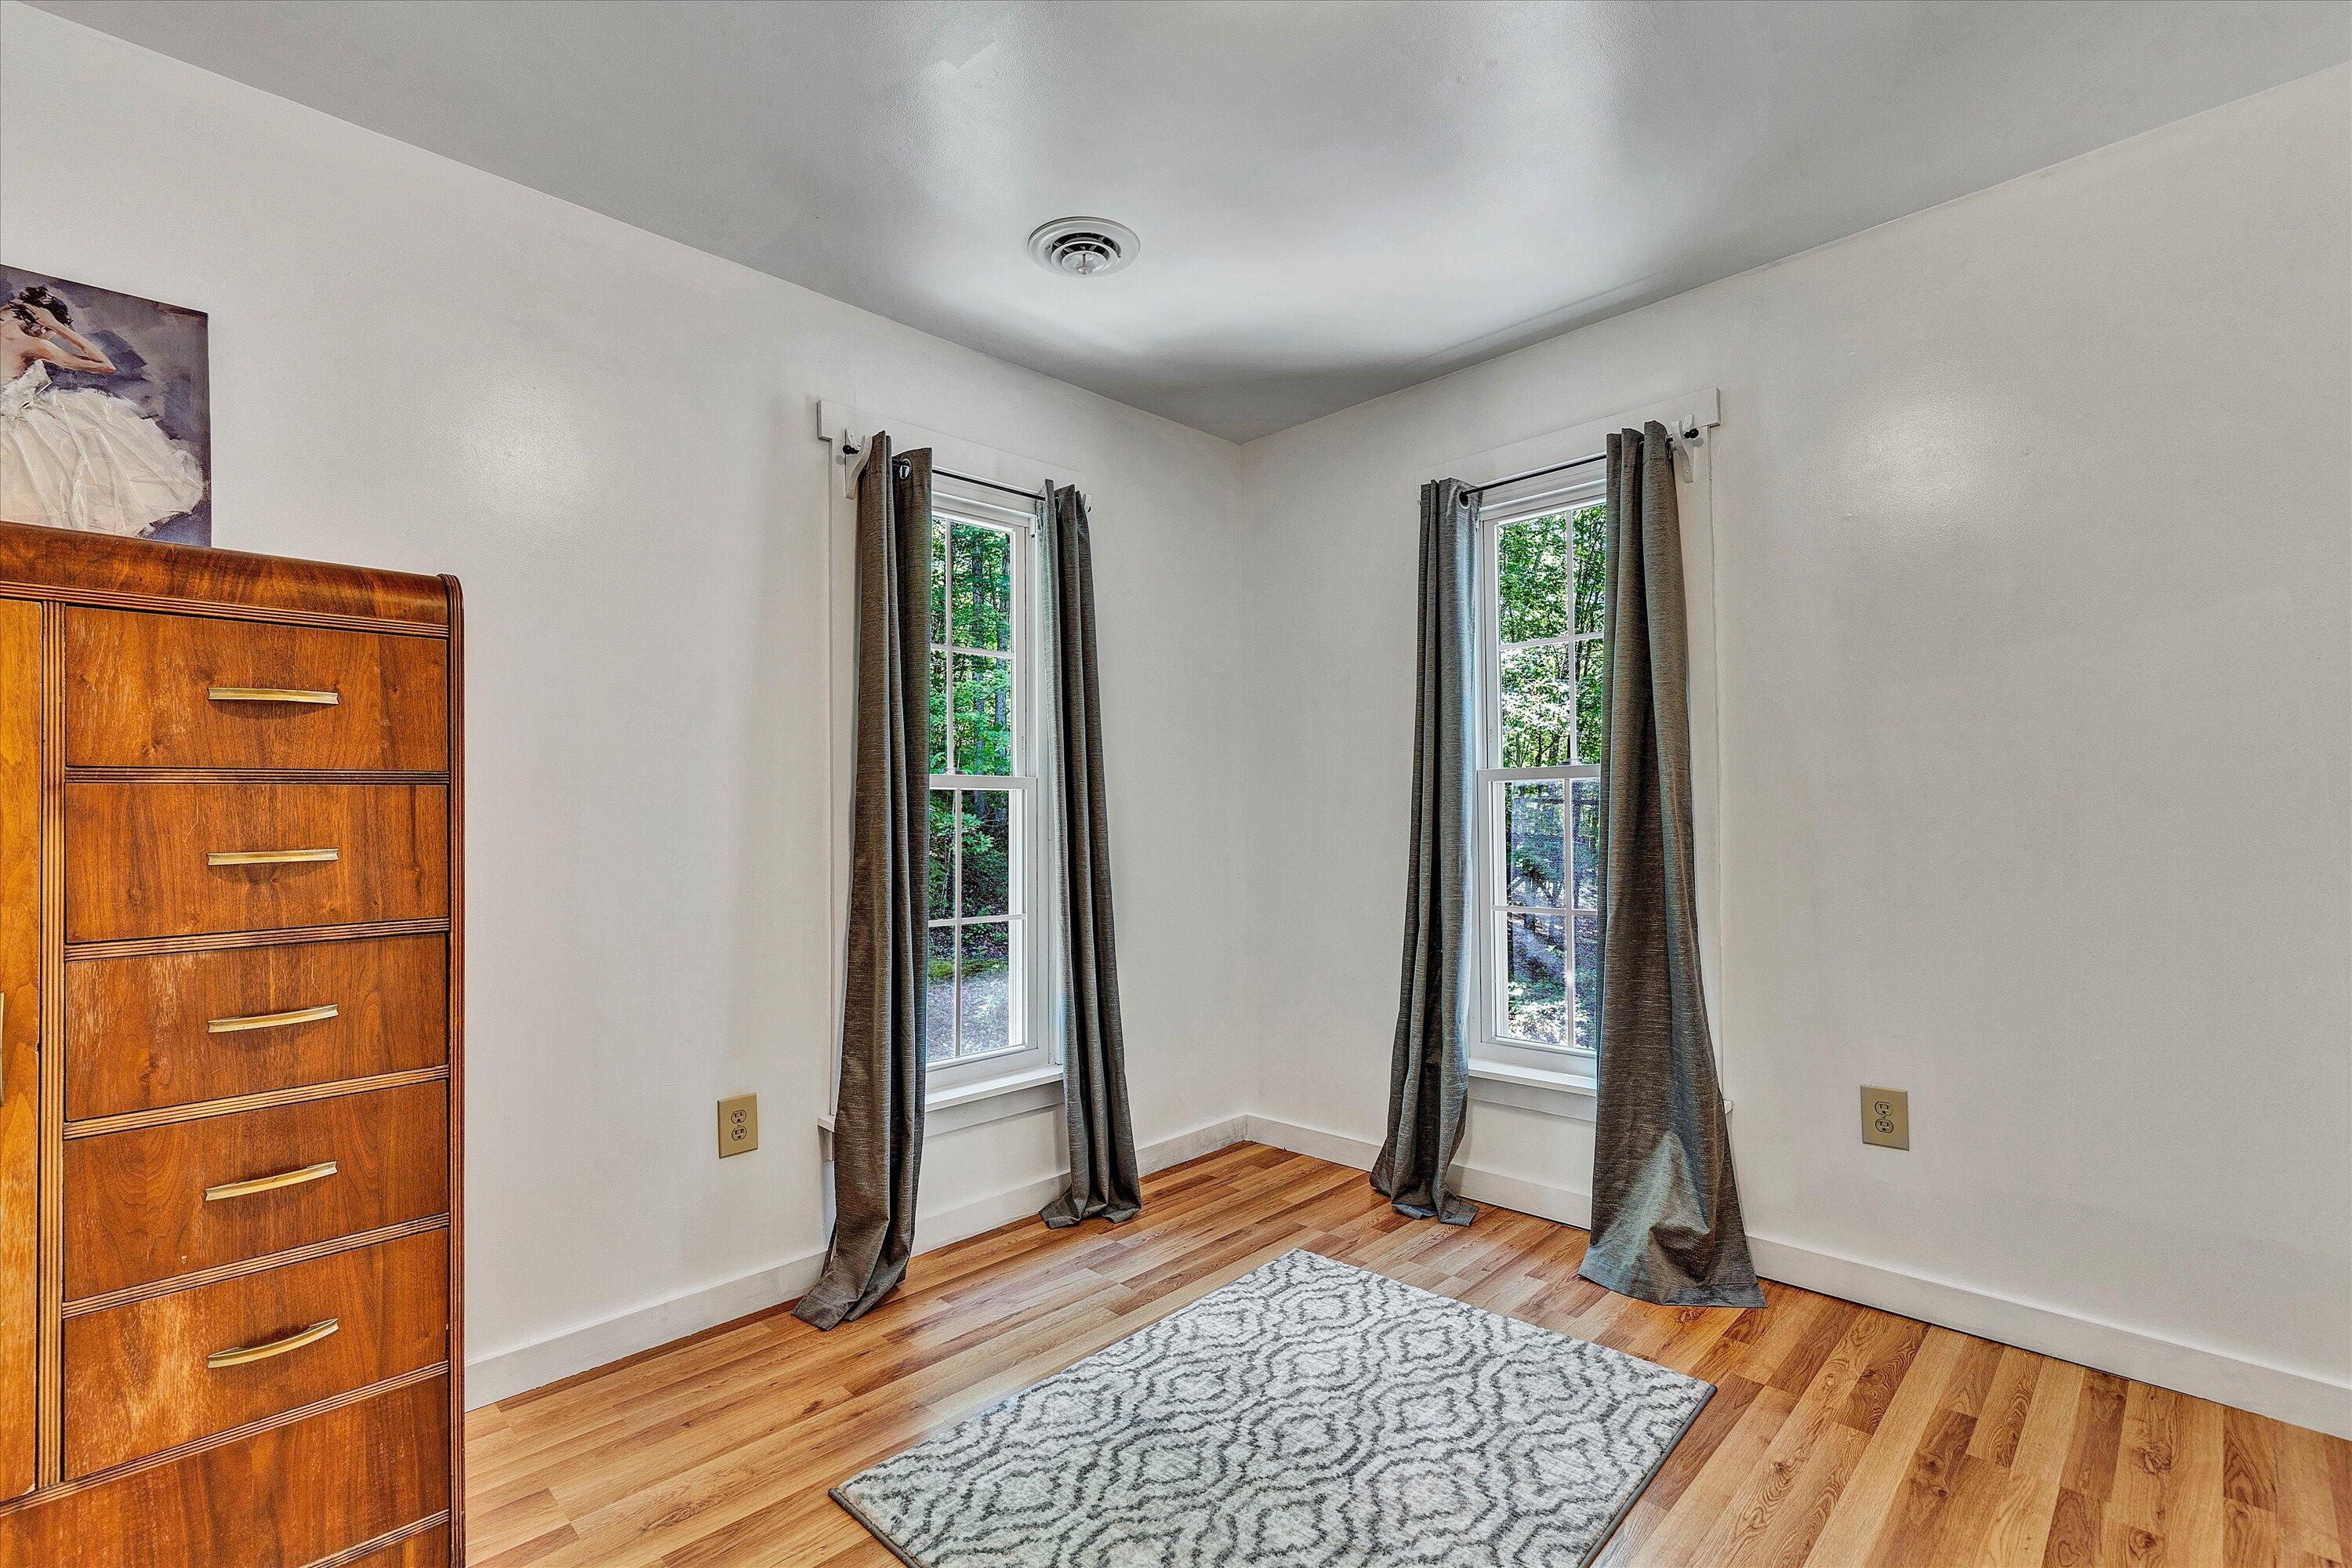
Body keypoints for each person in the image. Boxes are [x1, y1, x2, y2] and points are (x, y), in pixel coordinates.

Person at [1, 285, 205, 535]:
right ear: (40, 324)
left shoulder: (17, 333)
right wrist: (59, 327)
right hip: (17, 422)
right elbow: (104, 365)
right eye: (47, 330)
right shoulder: (31, 344)